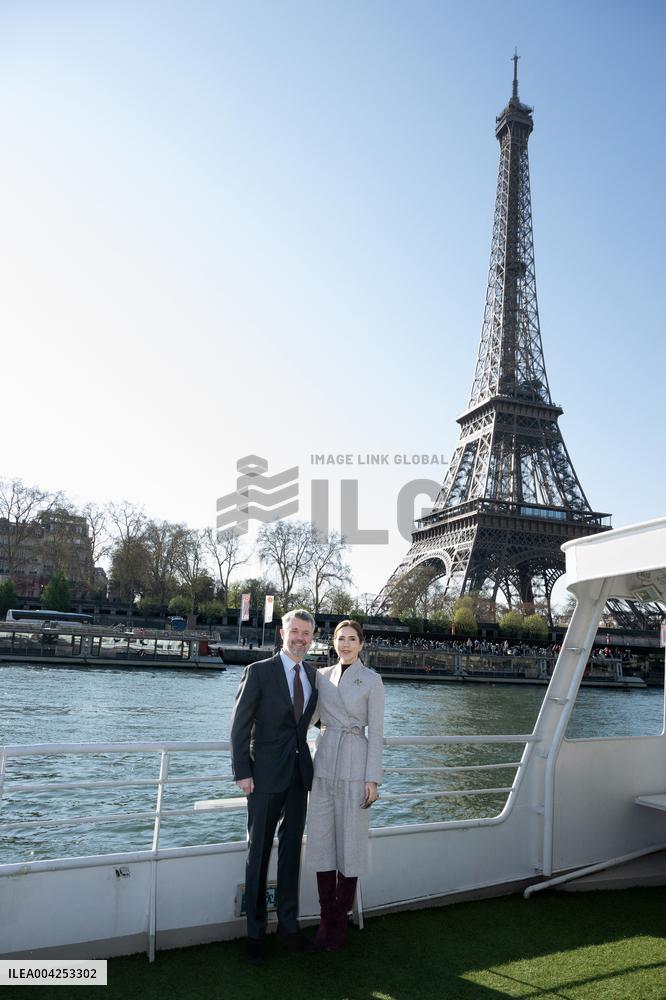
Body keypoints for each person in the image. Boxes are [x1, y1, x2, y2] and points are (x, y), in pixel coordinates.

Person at [230, 608, 319, 966]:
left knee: (291, 855)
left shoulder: (313, 674)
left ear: (312, 637)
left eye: (306, 634)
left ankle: (288, 925)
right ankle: (255, 933)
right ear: (282, 633)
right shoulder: (258, 672)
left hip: (299, 776)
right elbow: (239, 726)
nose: (300, 638)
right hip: (263, 776)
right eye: (294, 631)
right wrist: (242, 772)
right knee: (259, 853)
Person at [306, 619, 385, 950]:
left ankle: (338, 922)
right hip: (323, 762)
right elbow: (306, 718)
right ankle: (326, 920)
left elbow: (377, 733)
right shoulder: (321, 677)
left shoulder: (372, 680)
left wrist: (373, 778)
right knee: (322, 844)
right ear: (333, 642)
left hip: (356, 762)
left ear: (362, 644)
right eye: (341, 639)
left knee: (350, 846)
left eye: (352, 639)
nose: (346, 644)